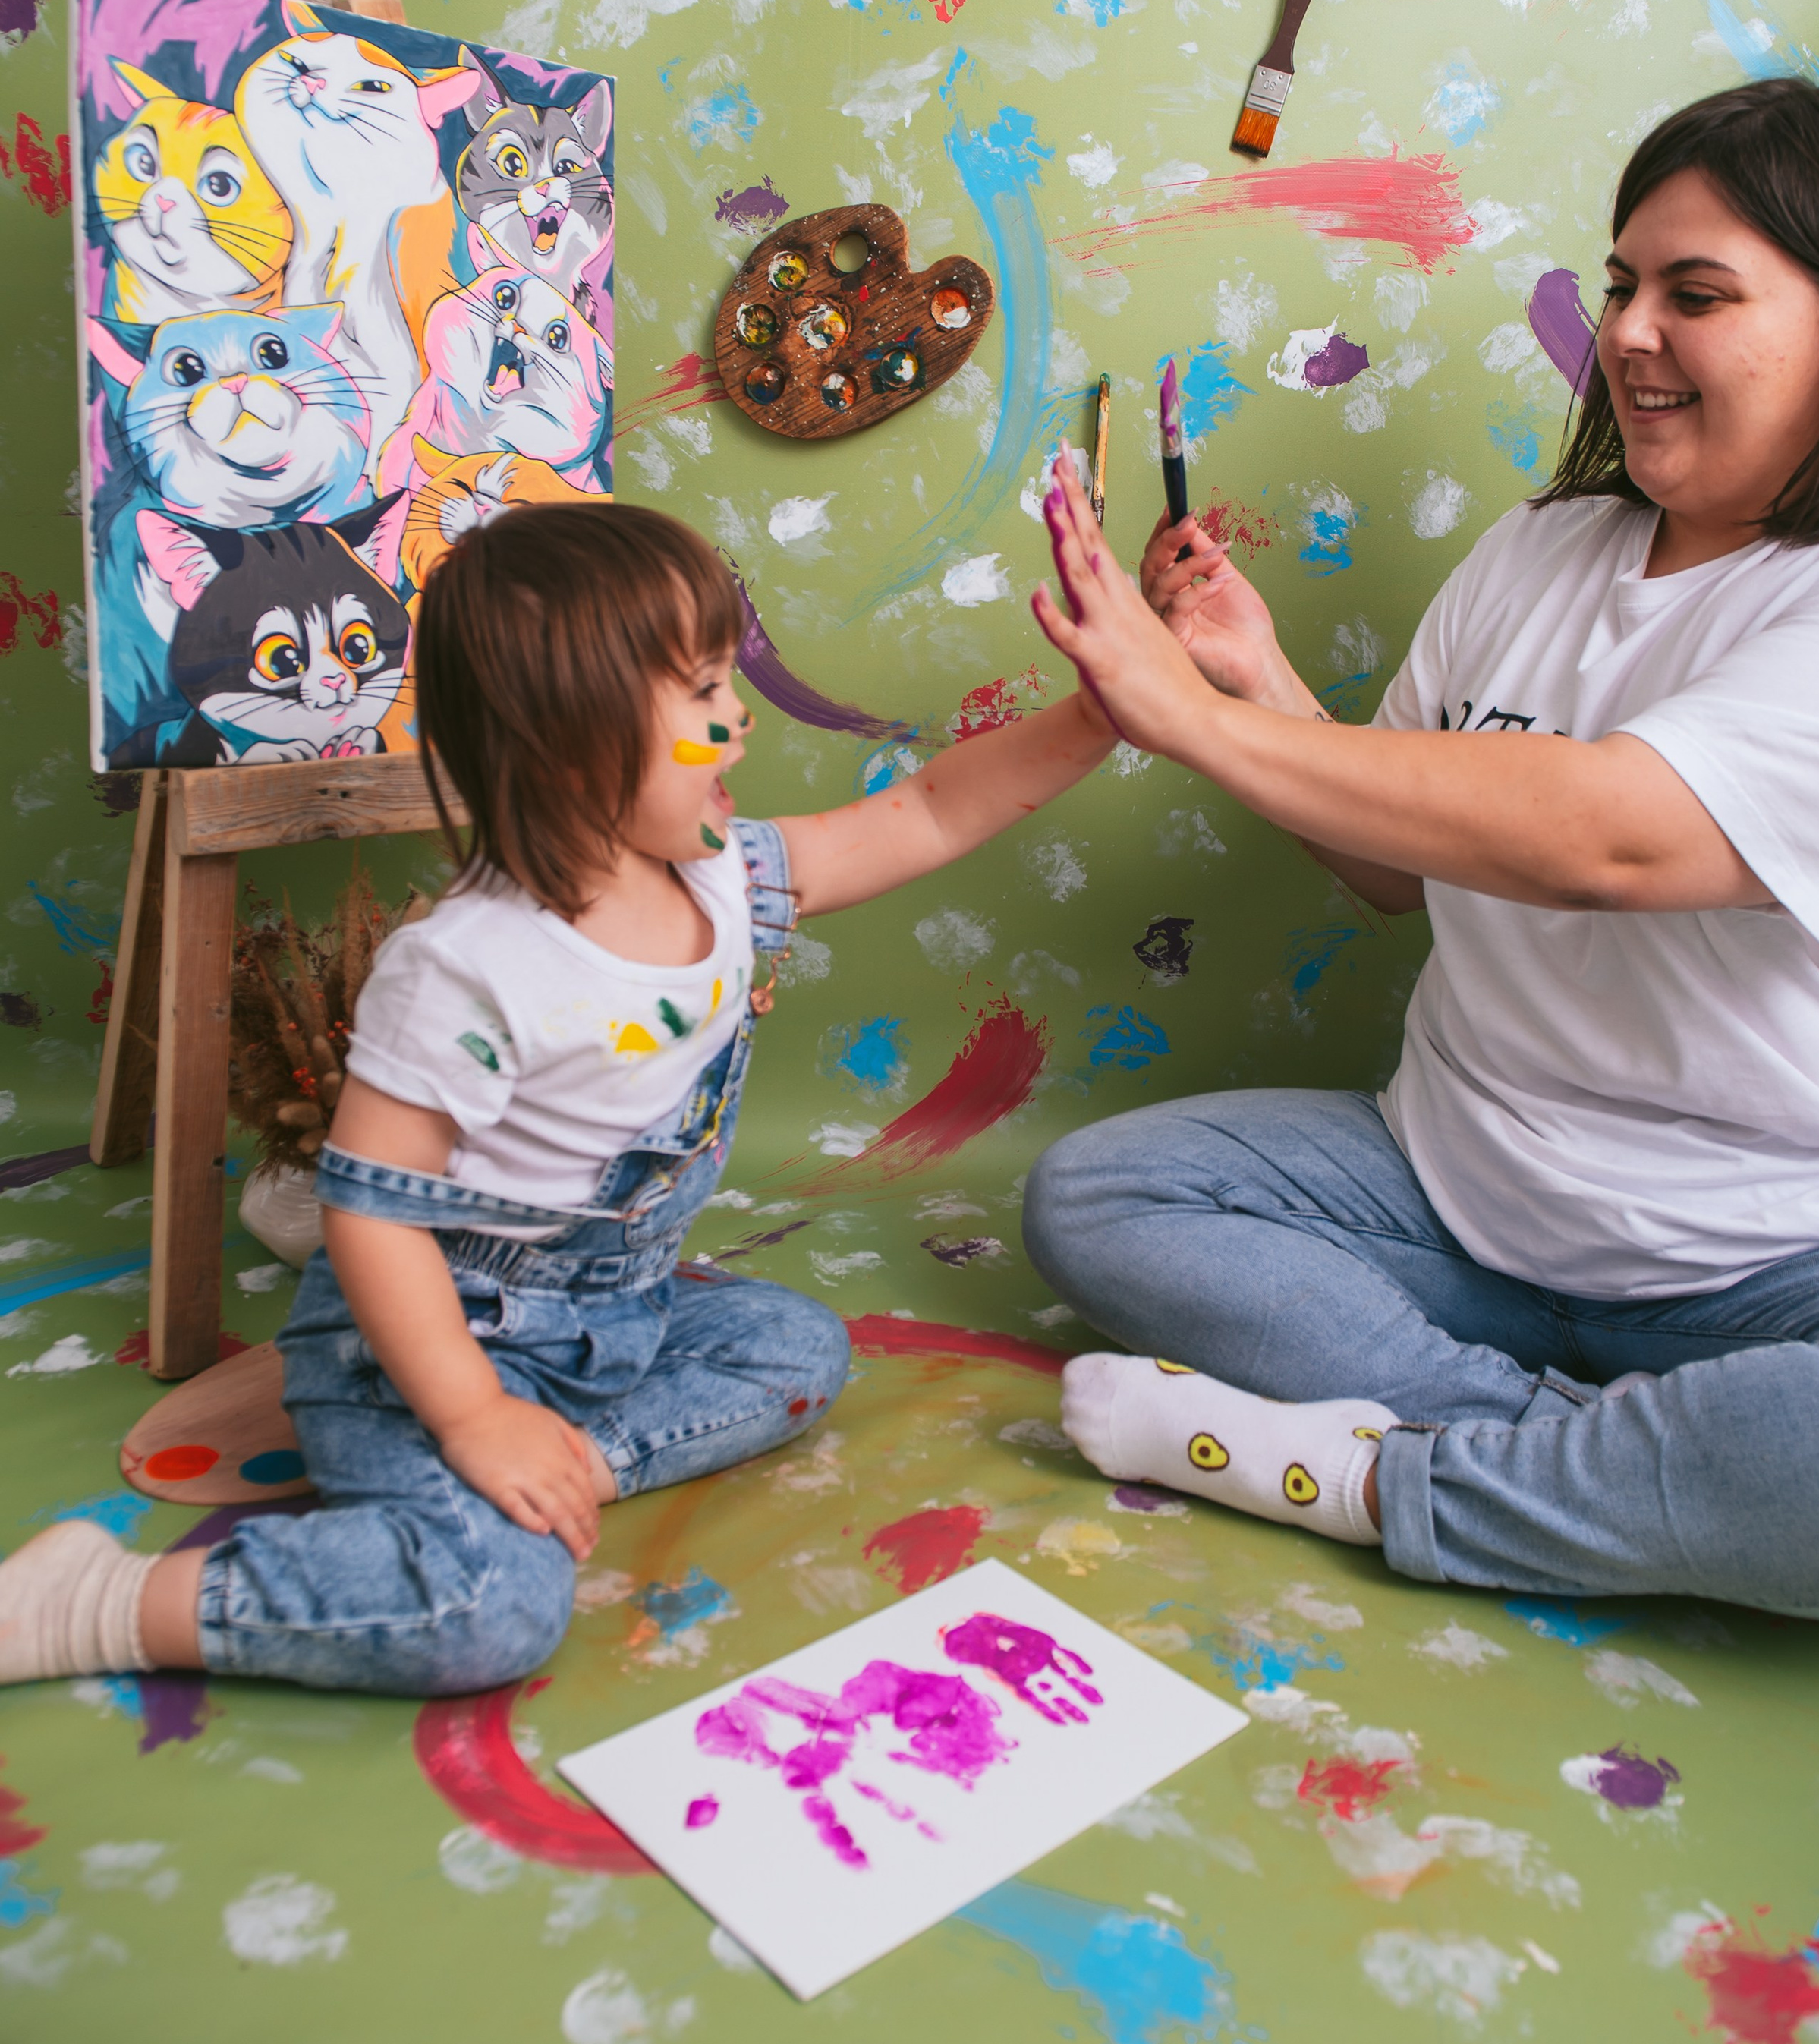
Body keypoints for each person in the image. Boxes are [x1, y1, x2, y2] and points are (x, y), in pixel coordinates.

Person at [1021, 76, 1819, 1623]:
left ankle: (1375, 1476)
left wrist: (1189, 724)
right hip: (1456, 1198)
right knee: (1096, 1198)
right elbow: (1395, 870)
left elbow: (1610, 840)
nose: (1628, 333)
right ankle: (1582, 1463)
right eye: (1621, 285)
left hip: (1787, 1259)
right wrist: (1259, 683)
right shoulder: (1535, 549)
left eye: (1696, 294)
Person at [0, 502, 1116, 1694]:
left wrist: (1103, 711)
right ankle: (111, 1598)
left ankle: (556, 1468)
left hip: (610, 1317)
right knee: (485, 1611)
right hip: (432, 1342)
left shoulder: (725, 876)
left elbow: (933, 809)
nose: (739, 720)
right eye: (703, 692)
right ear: (570, 748)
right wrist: (474, 1417)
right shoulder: (470, 968)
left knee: (796, 1349)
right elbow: (370, 1215)